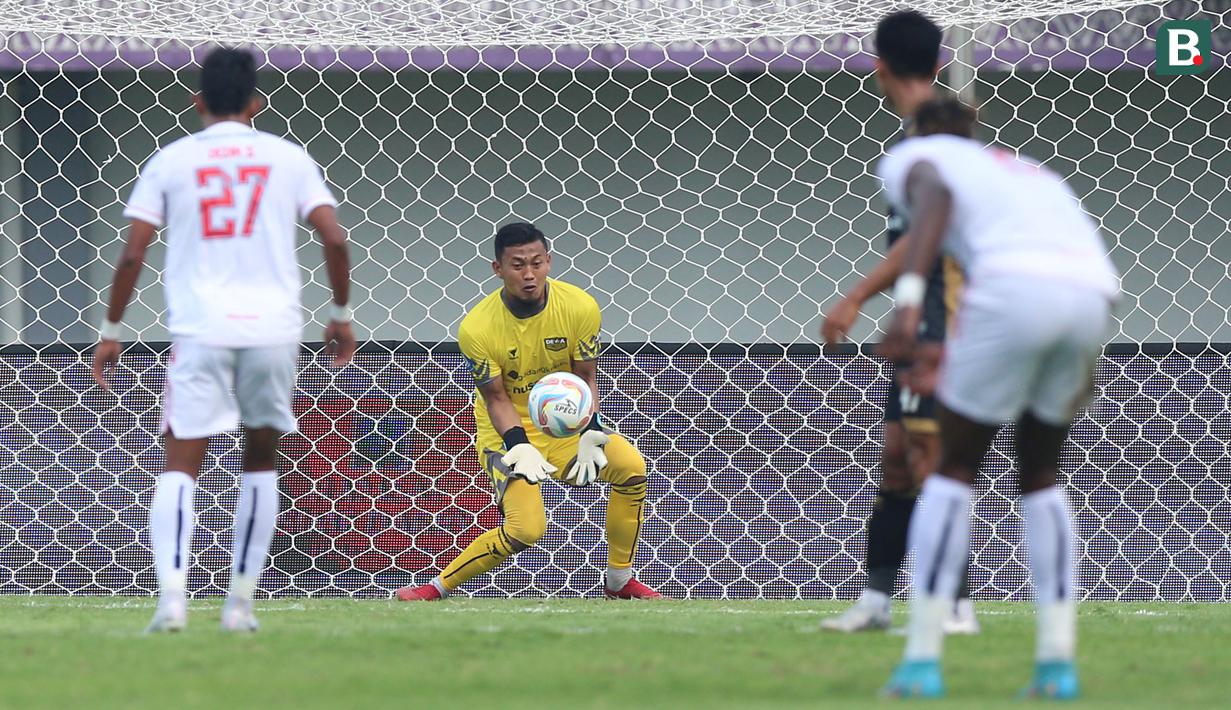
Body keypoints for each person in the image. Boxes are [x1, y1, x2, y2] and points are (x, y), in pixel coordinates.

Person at [92, 46, 356, 632]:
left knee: (180, 463)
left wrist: (111, 330)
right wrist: (340, 314)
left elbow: (133, 252)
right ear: (256, 103)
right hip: (273, 330)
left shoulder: (171, 160)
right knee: (260, 460)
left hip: (201, 329)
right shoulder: (287, 158)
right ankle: (239, 606)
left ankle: (172, 602)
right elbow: (335, 240)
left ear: (198, 102)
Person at [877, 96, 1118, 699]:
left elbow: (935, 198)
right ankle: (1057, 666)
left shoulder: (917, 157)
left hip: (1011, 293)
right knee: (1040, 473)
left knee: (953, 469)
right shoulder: (1025, 169)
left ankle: (922, 662)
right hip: (1092, 294)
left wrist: (907, 304)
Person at [395, 222, 660, 601]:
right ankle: (436, 588)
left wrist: (591, 429)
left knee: (632, 468)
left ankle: (619, 580)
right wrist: (518, 445)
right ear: (498, 269)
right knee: (526, 529)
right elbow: (496, 398)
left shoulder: (580, 307)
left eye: (537, 262)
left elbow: (585, 376)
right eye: (518, 265)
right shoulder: (477, 328)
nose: (529, 274)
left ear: (549, 261)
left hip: (565, 428)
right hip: (508, 431)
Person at [820, 9, 976, 634]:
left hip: (949, 323)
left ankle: (955, 604)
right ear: (938, 63)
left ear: (878, 67)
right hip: (926, 321)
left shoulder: (935, 144)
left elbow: (922, 242)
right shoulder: (927, 136)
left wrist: (855, 296)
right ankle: (877, 601)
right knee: (898, 458)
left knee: (931, 459)